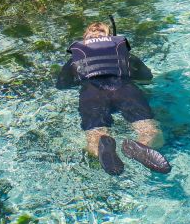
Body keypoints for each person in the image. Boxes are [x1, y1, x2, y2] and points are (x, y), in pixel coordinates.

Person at [56, 20, 171, 176]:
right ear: (110, 38)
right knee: (149, 129)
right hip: (125, 90)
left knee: (94, 135)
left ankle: (102, 148)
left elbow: (62, 84)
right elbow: (147, 78)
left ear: (85, 39)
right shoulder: (125, 55)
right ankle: (142, 144)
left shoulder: (75, 59)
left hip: (92, 93)